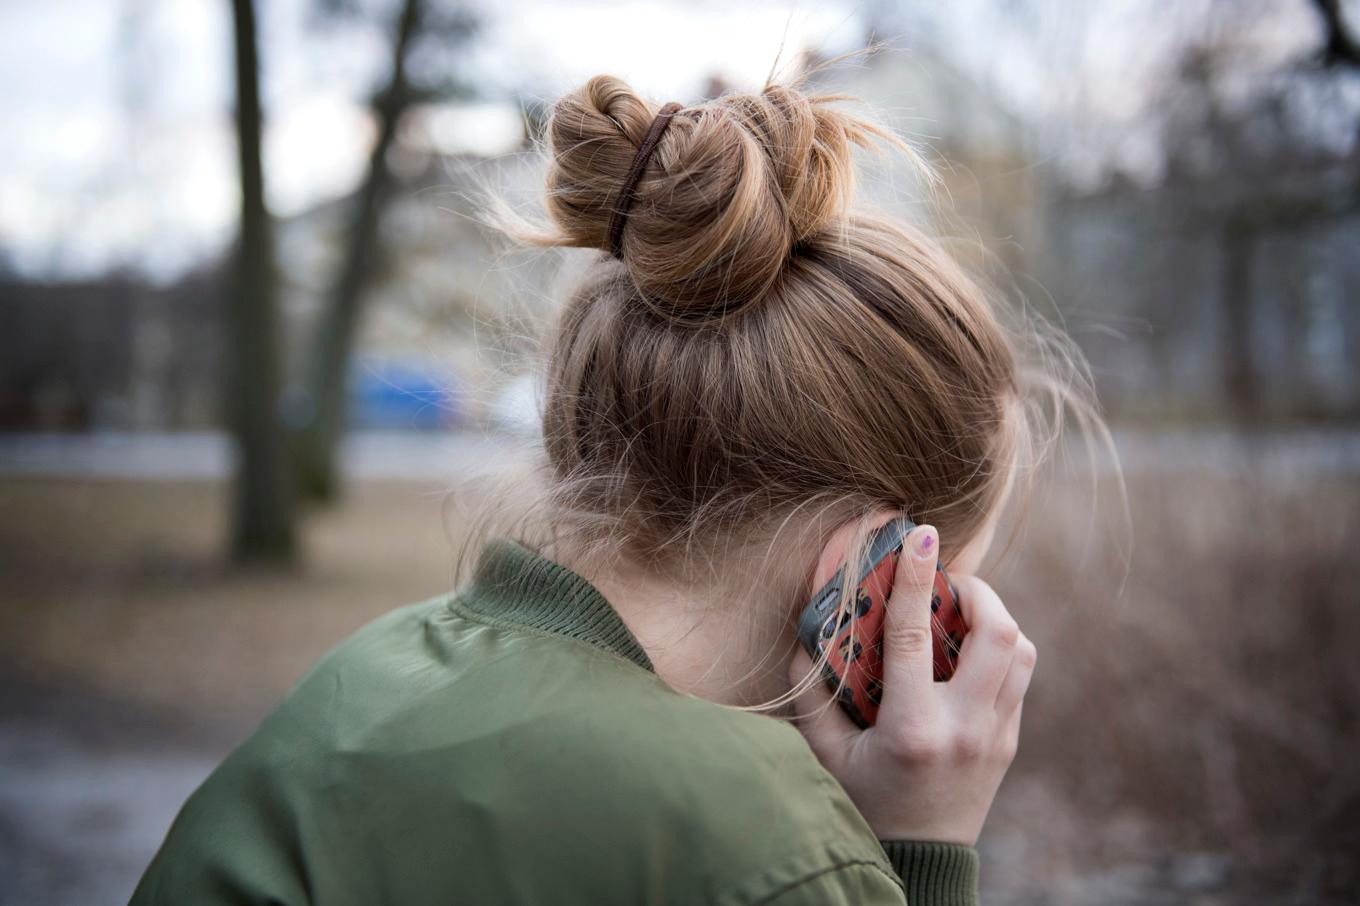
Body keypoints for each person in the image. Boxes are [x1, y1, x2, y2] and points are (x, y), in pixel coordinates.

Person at [131, 65, 1106, 905]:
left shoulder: (359, 679)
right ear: (874, 580)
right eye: (946, 615)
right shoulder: (771, 848)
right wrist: (916, 855)